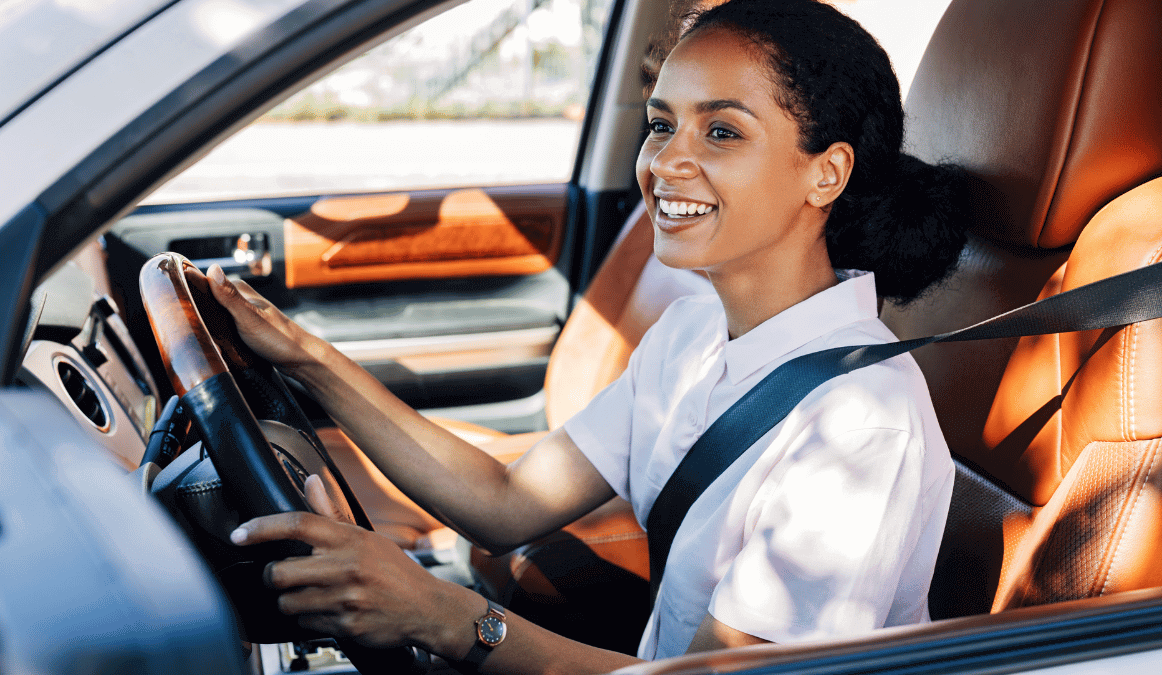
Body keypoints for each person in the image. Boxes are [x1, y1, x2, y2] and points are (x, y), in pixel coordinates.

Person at [211, 0, 967, 671]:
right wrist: (306, 358)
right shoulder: (693, 331)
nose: (666, 161)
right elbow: (505, 501)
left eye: (722, 131)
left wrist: (442, 614)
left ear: (826, 173)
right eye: (662, 123)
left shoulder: (861, 421)